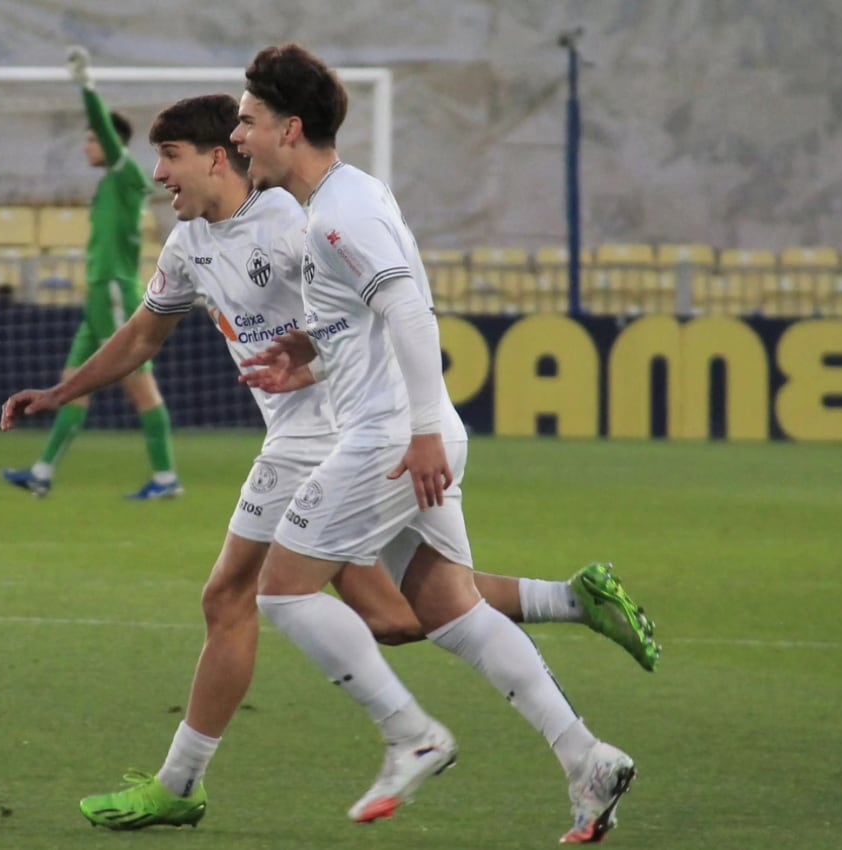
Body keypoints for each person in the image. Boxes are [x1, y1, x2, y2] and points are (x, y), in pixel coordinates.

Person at [0, 91, 659, 840]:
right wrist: (62, 390)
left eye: (171, 157)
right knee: (412, 613)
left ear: (218, 158)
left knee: (239, 595)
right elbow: (144, 336)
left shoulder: (292, 223)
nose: (159, 175)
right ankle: (576, 672)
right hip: (353, 431)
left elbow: (377, 309)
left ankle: (199, 779)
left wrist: (339, 385)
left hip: (333, 435)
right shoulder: (188, 246)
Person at [230, 44, 636, 843]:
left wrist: (417, 433)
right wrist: (307, 349)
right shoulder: (342, 201)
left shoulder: (341, 213)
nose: (238, 137)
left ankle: (410, 734)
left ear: (291, 128)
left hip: (391, 436)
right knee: (449, 609)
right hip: (411, 430)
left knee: (280, 590)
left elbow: (413, 312)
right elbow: (368, 311)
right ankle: (587, 758)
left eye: (247, 122)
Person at [1, 45, 181, 500]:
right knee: (70, 384)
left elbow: (102, 123)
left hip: (117, 292)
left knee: (140, 386)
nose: (87, 145)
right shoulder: (108, 185)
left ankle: (165, 478)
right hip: (99, 296)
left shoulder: (124, 176)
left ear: (111, 142)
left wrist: (86, 86)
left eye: (91, 138)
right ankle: (42, 472)